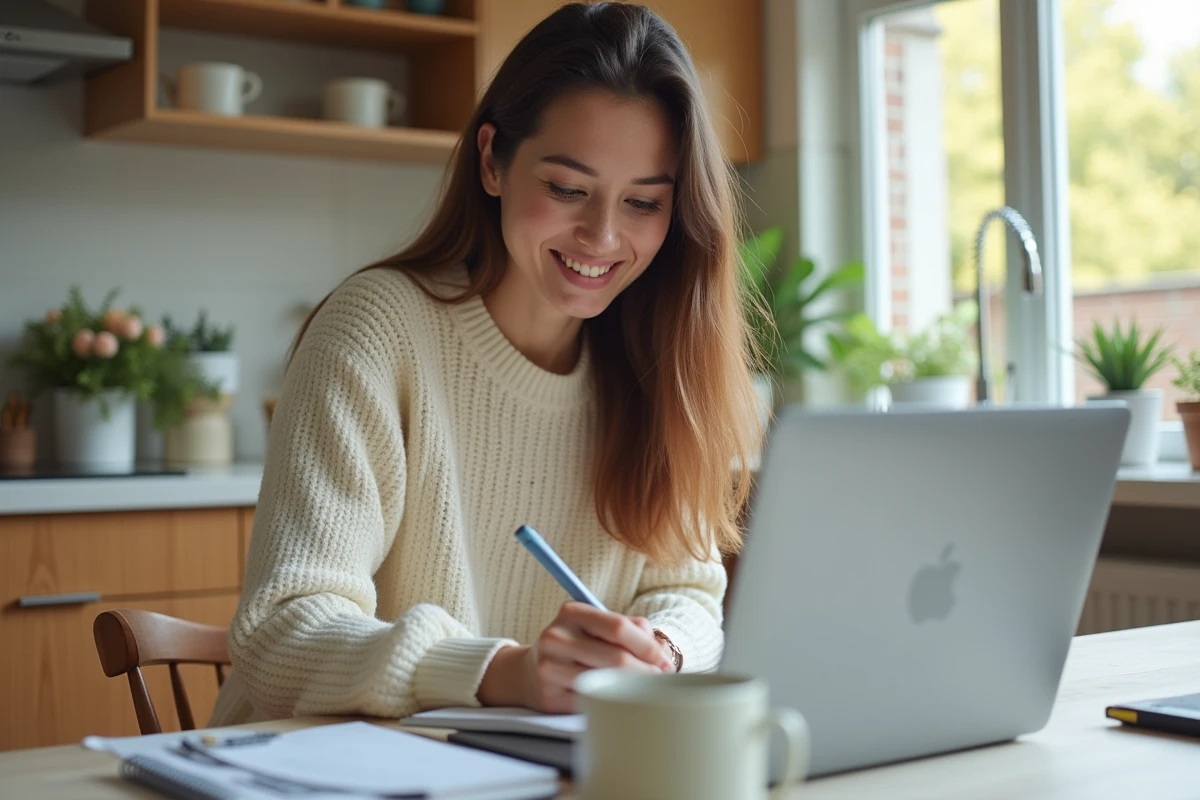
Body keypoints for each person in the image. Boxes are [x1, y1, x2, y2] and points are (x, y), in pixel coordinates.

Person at [209, 1, 761, 726]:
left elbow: (687, 594)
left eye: (643, 203)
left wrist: (652, 651)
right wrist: (500, 673)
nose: (602, 235)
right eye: (567, 189)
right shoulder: (378, 329)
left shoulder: (660, 363)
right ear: (493, 160)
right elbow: (280, 633)